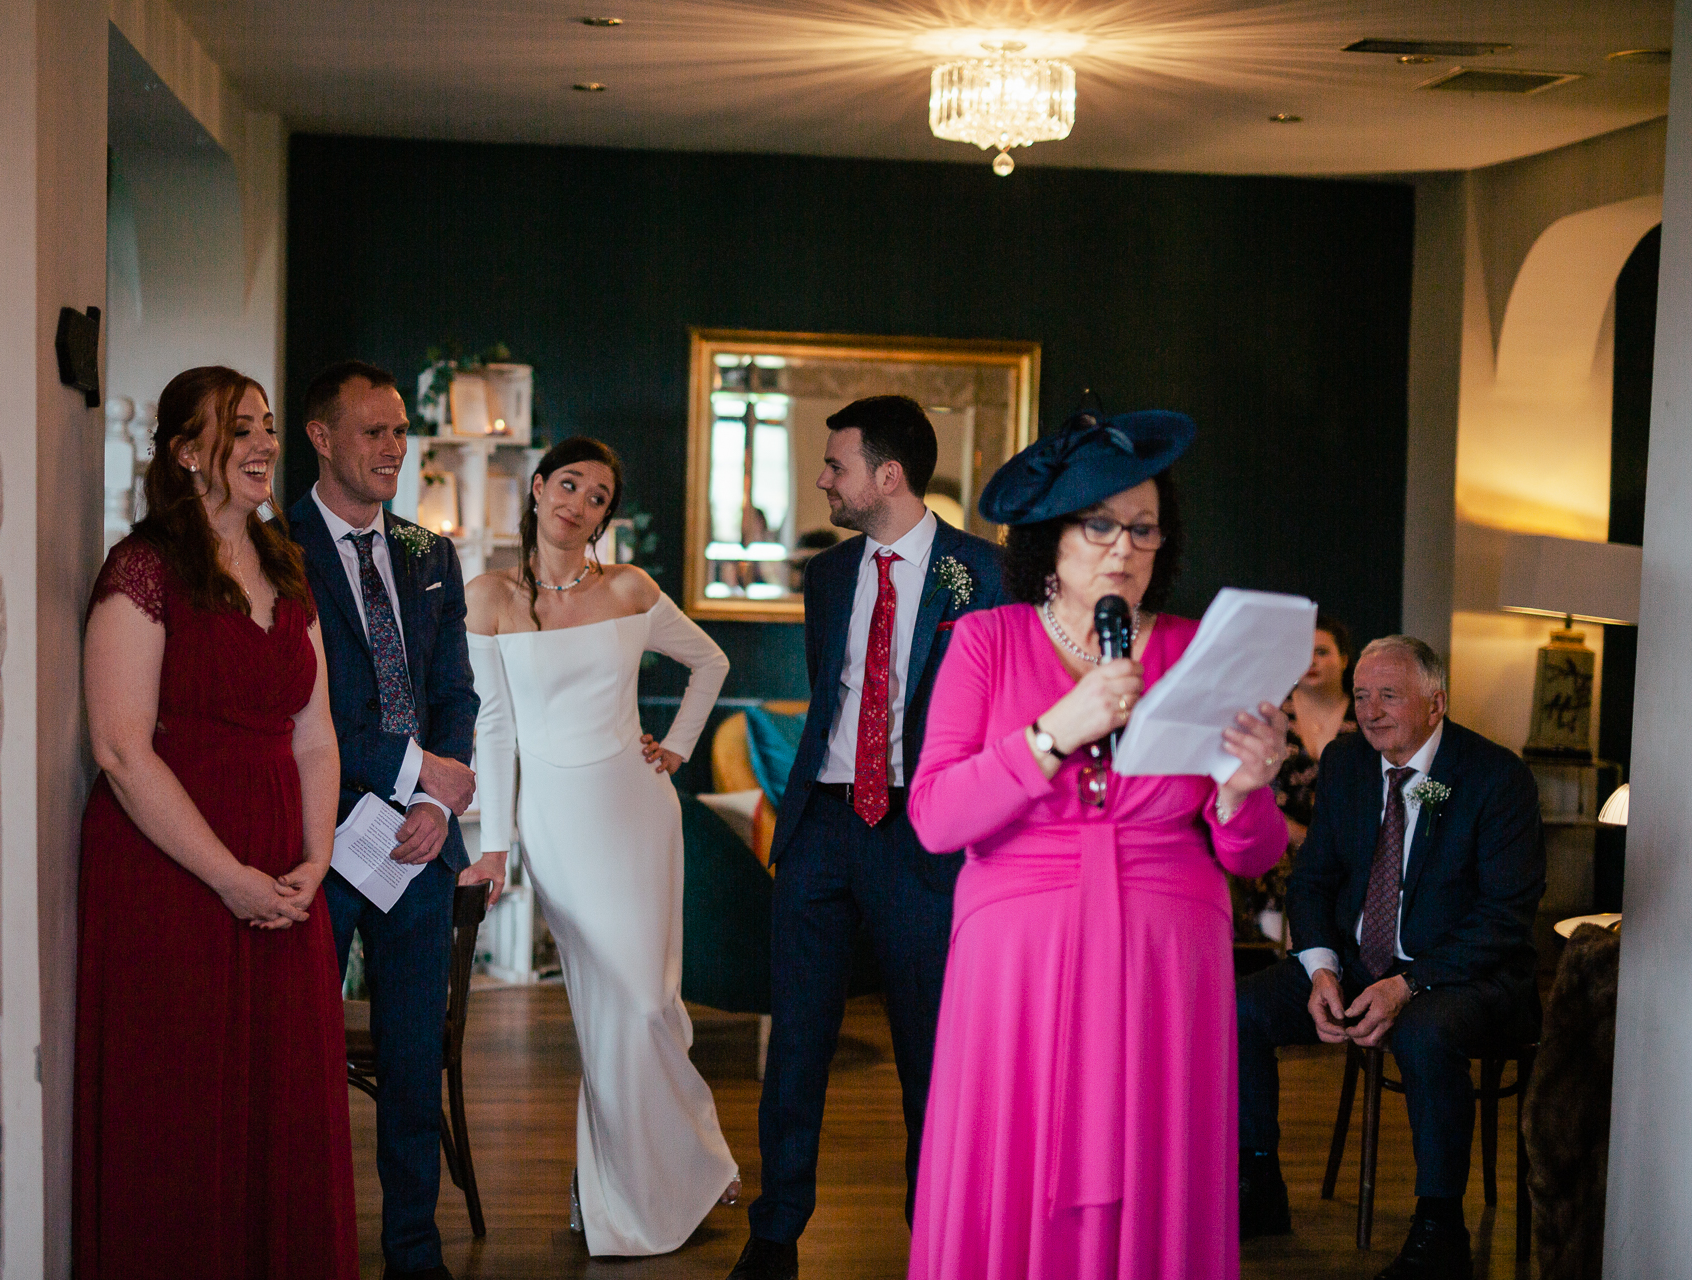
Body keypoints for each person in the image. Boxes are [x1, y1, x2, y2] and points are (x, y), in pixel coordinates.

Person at [901, 409, 1290, 1280]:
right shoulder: (983, 644)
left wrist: (1243, 791)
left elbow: (1252, 856)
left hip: (1168, 959)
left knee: (1159, 1154)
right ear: (1051, 537)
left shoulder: (1199, 652)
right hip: (1019, 961)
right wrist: (1054, 732)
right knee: (1018, 1150)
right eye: (1099, 524)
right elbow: (935, 818)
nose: (1123, 547)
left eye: (1143, 529)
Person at [74, 366, 357, 1279]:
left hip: (284, 866)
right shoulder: (145, 567)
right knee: (186, 1101)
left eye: (267, 426)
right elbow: (120, 749)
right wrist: (227, 877)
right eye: (240, 430)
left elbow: (317, 735)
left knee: (285, 1101)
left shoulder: (285, 564)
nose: (264, 444)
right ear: (188, 453)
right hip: (173, 872)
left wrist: (316, 860)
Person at [728, 396, 1007, 1280]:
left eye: (836, 465)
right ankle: (775, 1237)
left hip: (923, 836)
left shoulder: (988, 574)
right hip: (822, 826)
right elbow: (834, 695)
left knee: (931, 1051)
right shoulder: (830, 574)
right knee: (797, 1044)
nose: (822, 481)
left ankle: (937, 1236)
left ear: (888, 476)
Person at [465, 436, 741, 1256]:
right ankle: (669, 1169)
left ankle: (645, 1182)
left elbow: (710, 661)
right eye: (569, 484)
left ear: (604, 517)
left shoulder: (628, 587)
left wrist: (681, 747)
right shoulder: (489, 598)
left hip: (638, 811)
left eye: (598, 497)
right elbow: (495, 728)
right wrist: (499, 843)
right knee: (610, 1004)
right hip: (557, 821)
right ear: (540, 486)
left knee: (650, 1002)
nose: (578, 503)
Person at [1237, 636, 1545, 1280]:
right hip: (1354, 963)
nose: (1371, 711)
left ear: (1437, 703)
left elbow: (1505, 918)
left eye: (1389, 696)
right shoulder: (1349, 763)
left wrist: (1409, 983)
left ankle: (1440, 1232)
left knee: (1426, 1034)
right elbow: (1314, 880)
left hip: (1464, 973)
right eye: (1362, 696)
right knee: (1242, 1008)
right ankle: (1258, 1184)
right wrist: (1320, 967)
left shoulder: (1495, 777)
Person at [288, 360, 487, 1280]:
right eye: (373, 431)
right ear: (320, 438)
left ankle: (413, 1250)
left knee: (412, 1062)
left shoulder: (428, 552)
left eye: (401, 430)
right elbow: (310, 708)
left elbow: (455, 692)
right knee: (295, 1063)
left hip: (418, 845)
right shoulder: (274, 551)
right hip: (316, 842)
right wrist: (422, 775)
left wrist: (431, 803)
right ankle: (299, 1241)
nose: (394, 448)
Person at [1234, 616, 1359, 945]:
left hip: (1349, 847)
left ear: (1345, 660)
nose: (1311, 662)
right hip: (1281, 844)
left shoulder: (1366, 716)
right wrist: (1297, 835)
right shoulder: (1270, 716)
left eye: (1322, 652)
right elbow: (1250, 787)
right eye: (1302, 653)